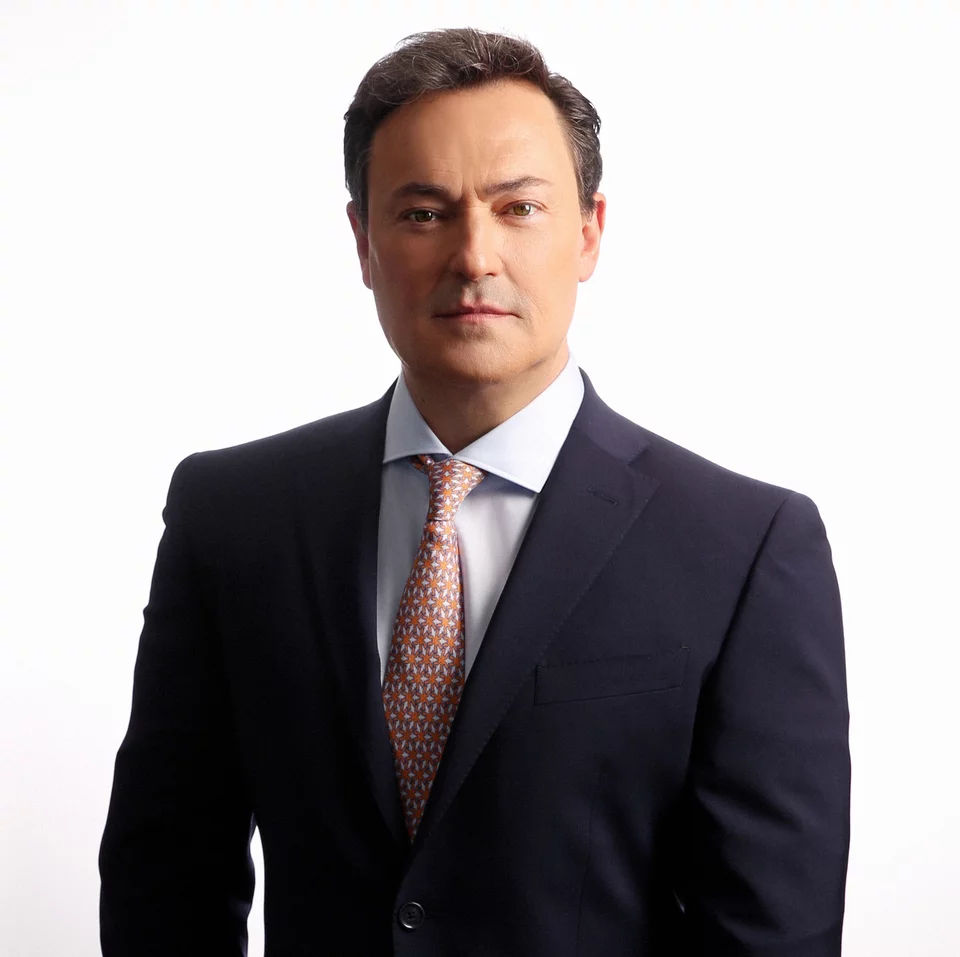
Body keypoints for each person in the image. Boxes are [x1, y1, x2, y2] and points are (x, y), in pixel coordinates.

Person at [99, 27, 851, 957]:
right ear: (362, 242)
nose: (474, 256)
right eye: (423, 213)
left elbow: (771, 933)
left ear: (589, 232)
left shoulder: (744, 547)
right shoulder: (233, 516)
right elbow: (164, 878)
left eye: (518, 208)